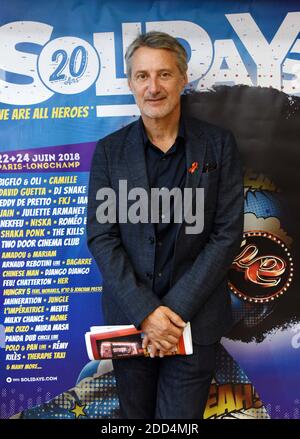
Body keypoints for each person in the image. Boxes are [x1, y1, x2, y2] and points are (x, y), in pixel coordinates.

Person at [87, 31, 244, 419]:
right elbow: (102, 237)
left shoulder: (218, 146)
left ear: (183, 78)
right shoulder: (109, 152)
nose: (153, 87)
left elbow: (226, 235)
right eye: (142, 76)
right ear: (130, 83)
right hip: (130, 321)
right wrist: (146, 313)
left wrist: (171, 314)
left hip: (194, 321)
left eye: (164, 74)